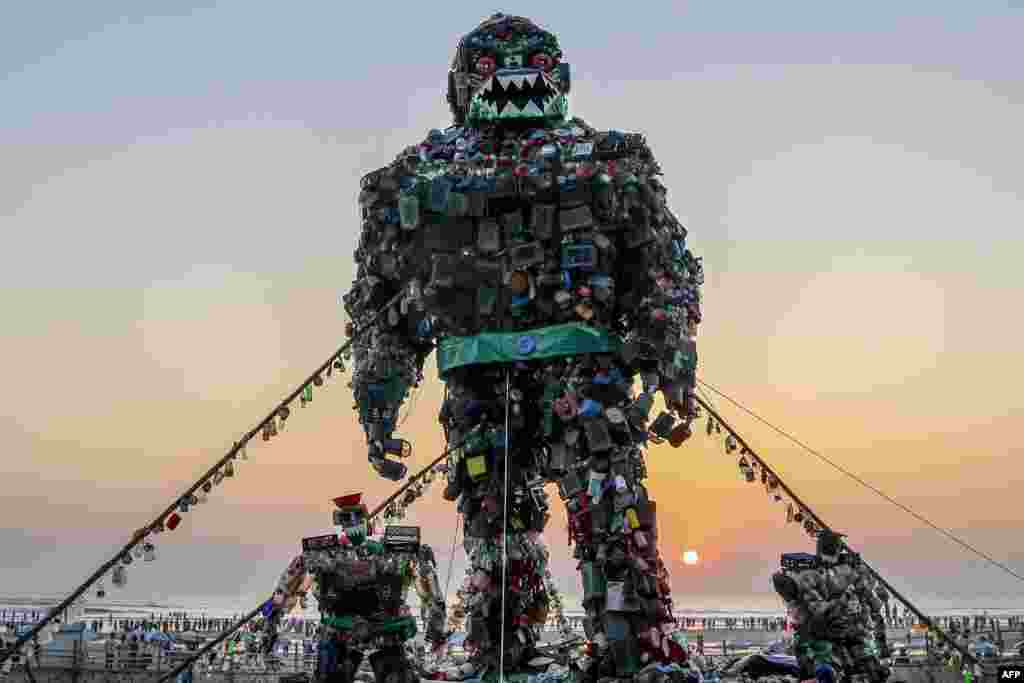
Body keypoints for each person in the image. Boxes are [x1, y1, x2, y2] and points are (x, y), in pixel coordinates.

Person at [345, 12, 702, 681]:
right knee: (514, 520)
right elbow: (383, 304)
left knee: (593, 509)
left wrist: (668, 355)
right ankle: (531, 650)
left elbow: (663, 267)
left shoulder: (607, 161)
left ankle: (605, 649)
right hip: (503, 377)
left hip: (572, 369)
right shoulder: (416, 178)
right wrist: (379, 402)